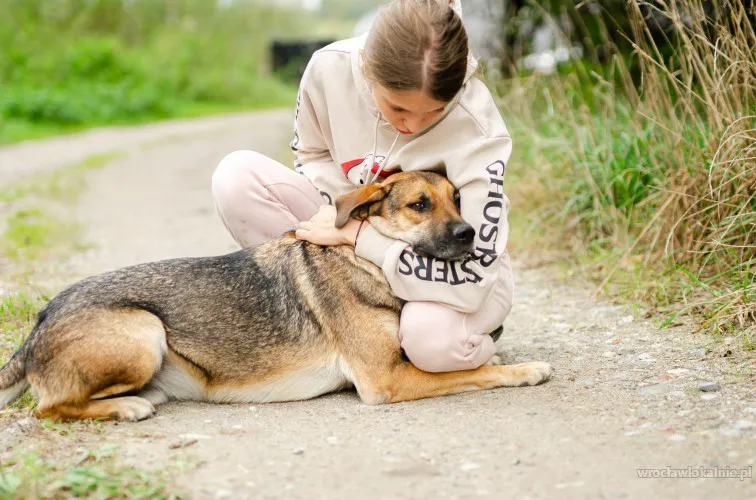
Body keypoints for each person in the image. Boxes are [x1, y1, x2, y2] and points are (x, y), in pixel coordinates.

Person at [212, 0, 514, 373]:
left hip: (455, 271)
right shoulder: (328, 68)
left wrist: (360, 237)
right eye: (398, 108)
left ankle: (463, 333)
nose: (413, 124)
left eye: (434, 111)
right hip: (356, 228)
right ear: (368, 73)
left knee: (433, 346)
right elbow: (312, 151)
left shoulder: (479, 127)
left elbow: (474, 277)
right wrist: (347, 209)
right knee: (237, 177)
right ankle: (333, 326)